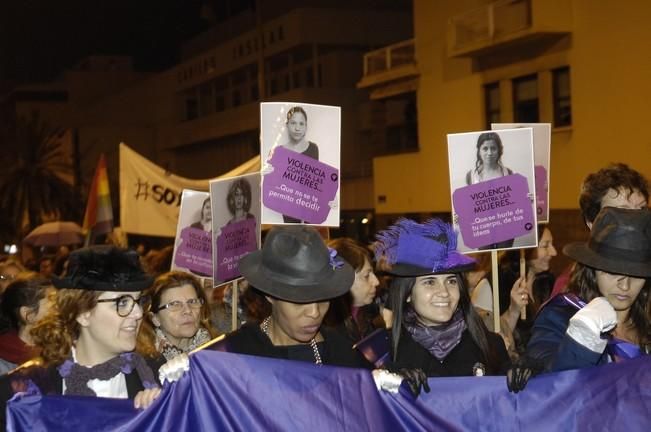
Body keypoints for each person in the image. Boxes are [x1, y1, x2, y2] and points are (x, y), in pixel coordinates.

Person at [0, 246, 162, 424]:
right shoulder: (25, 389)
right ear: (83, 313)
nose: (138, 313)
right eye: (122, 302)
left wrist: (161, 417)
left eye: (139, 301)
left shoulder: (157, 374)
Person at [208, 225, 367, 367]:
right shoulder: (235, 355)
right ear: (270, 295)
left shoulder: (344, 355)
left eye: (323, 299)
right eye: (299, 301)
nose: (315, 313)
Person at [375, 218, 510, 377]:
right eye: (430, 282)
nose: (444, 292)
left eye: (451, 281)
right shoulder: (387, 352)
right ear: (408, 294)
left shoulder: (490, 346)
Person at [527, 207, 651, 373]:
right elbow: (550, 383)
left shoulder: (648, 320)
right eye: (613, 272)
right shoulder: (559, 315)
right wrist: (583, 334)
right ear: (592, 269)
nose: (625, 286)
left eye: (636, 275)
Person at [551, 163, 649, 297]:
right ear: (592, 223)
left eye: (641, 210)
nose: (635, 222)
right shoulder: (569, 291)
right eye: (622, 212)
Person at [495, 225, 557, 358]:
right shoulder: (496, 283)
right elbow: (493, 339)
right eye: (545, 246)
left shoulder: (548, 283)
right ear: (527, 248)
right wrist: (514, 310)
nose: (554, 252)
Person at [138, 271, 217, 361]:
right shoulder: (144, 365)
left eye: (192, 302)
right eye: (175, 304)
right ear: (155, 318)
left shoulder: (218, 351)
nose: (187, 310)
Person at [324, 237, 383, 344]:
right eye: (366, 276)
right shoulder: (328, 330)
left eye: (373, 273)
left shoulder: (368, 314)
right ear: (343, 279)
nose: (376, 282)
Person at [0, 274, 54, 374]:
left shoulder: (58, 348)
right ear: (28, 314)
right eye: (52, 305)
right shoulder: (4, 363)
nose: (60, 310)